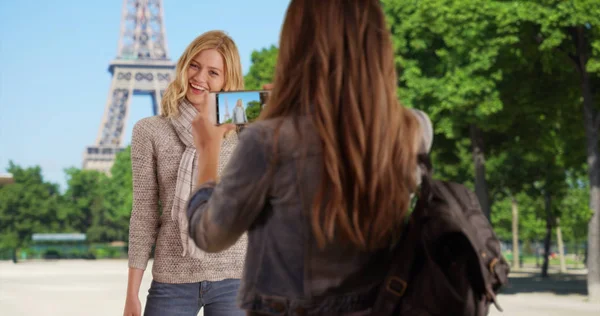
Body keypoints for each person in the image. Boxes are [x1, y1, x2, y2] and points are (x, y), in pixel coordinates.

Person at [186, 0, 433, 315]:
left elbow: (210, 235)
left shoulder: (269, 140)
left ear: (296, 44)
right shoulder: (416, 129)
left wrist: (208, 149)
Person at [123, 30, 247, 316]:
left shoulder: (241, 128)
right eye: (195, 65)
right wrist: (132, 293)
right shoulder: (149, 130)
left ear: (227, 81)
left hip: (234, 277)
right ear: (184, 65)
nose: (200, 77)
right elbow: (144, 214)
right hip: (172, 280)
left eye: (213, 72)